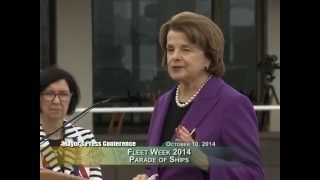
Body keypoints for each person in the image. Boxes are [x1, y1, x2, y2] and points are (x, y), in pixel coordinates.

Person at [132, 11, 264, 180]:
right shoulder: (163, 103)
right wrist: (148, 177)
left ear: (209, 58)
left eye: (186, 49)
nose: (175, 57)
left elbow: (253, 175)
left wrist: (204, 161)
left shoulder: (232, 104)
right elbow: (158, 168)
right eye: (170, 49)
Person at [40, 66, 103, 180]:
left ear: (71, 97)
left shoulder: (85, 137)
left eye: (63, 94)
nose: (56, 101)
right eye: (49, 93)